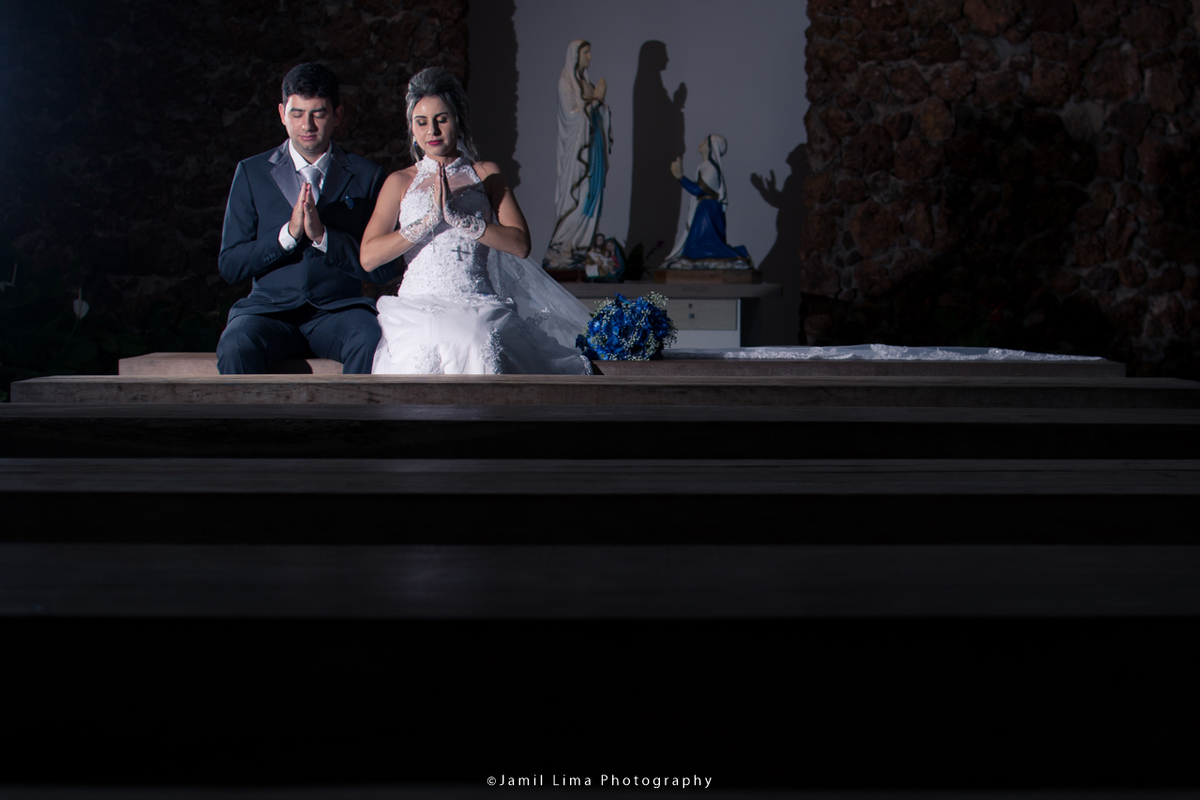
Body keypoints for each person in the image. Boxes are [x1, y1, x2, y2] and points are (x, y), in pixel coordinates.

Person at [360, 67, 592, 375]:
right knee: (424, 340)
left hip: (475, 302)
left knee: (474, 336)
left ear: (457, 120)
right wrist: (427, 221)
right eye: (422, 122)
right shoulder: (399, 181)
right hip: (417, 306)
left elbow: (520, 244)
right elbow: (369, 257)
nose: (433, 130)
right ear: (412, 129)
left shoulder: (485, 174)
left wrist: (460, 220)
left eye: (442, 119)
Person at [216, 63, 397, 374]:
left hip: (338, 312)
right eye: (297, 113)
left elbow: (385, 270)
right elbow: (230, 265)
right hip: (268, 313)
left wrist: (323, 238)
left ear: (337, 115)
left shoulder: (368, 176)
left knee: (369, 337)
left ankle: (354, 410)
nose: (307, 125)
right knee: (236, 344)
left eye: (318, 114)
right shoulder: (251, 172)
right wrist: (287, 235)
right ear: (282, 113)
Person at [543, 39, 612, 269]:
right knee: (580, 195)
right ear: (575, 56)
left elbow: (595, 114)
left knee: (592, 194)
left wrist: (599, 104)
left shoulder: (586, 83)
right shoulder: (567, 83)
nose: (590, 57)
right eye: (586, 53)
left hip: (594, 146)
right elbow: (573, 116)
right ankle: (564, 244)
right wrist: (596, 100)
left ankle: (582, 245)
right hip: (578, 153)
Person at [662, 134, 753, 269]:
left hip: (708, 212)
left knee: (702, 246)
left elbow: (697, 190)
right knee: (695, 245)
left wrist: (680, 177)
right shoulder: (705, 166)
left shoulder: (711, 169)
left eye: (705, 141)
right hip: (704, 210)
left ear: (711, 147)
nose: (701, 142)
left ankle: (739, 253)